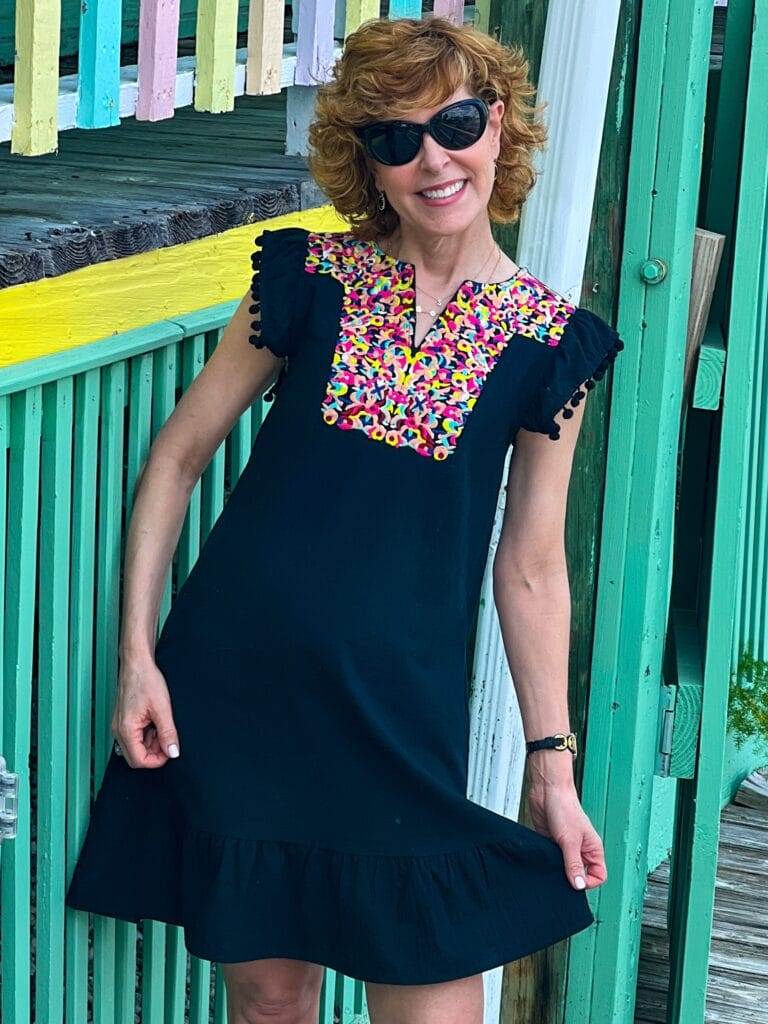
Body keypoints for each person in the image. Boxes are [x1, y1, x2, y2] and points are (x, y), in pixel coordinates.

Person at [65, 14, 621, 1024]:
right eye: (394, 138)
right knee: (271, 1000)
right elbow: (179, 456)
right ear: (367, 162)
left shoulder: (553, 344)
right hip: (239, 695)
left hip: (398, 723)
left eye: (453, 121)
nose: (432, 159)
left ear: (498, 125)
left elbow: (532, 567)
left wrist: (553, 767)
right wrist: (137, 657)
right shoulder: (306, 280)